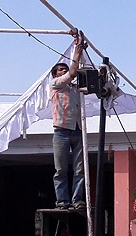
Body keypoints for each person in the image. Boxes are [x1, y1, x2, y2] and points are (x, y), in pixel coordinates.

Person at [50, 30, 87, 210]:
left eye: (65, 69)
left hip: (77, 129)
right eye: (61, 70)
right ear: (56, 75)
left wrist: (79, 45)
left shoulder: (74, 88)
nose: (64, 72)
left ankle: (77, 200)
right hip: (62, 130)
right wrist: (77, 52)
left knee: (80, 168)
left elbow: (78, 72)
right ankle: (62, 201)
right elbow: (73, 72)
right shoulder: (55, 85)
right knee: (61, 169)